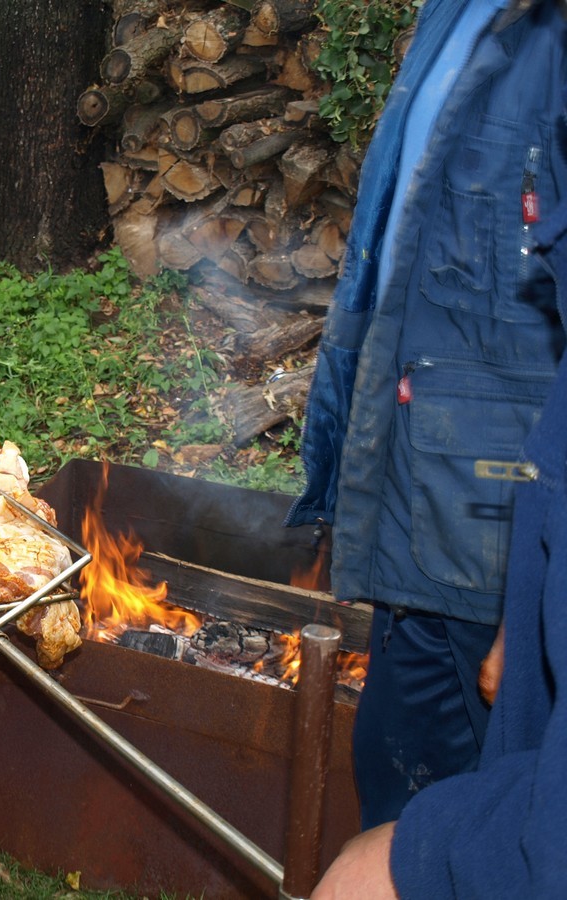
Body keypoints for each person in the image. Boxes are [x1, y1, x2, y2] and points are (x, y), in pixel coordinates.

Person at [286, 0, 567, 833]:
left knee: (498, 840)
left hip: (509, 551)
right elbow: (390, 274)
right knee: (395, 803)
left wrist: (538, 606)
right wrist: (344, 487)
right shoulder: (454, 12)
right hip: (417, 523)